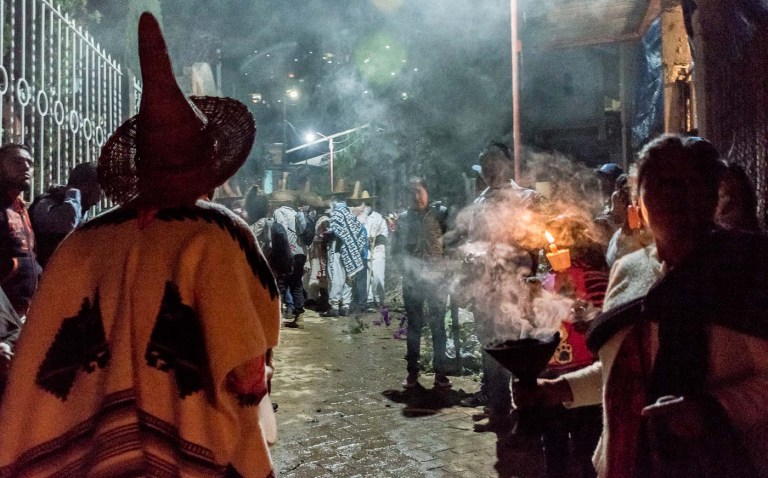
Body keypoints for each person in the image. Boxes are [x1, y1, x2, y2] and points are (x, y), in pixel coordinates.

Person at [0, 14, 280, 478]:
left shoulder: (81, 243)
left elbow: (39, 367)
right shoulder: (218, 235)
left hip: (93, 456)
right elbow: (249, 371)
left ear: (140, 167)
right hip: (194, 450)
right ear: (208, 164)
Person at [516, 134, 768, 478]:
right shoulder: (628, 269)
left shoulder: (747, 267)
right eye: (660, 183)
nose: (674, 195)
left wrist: (711, 409)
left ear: (712, 194)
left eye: (689, 182)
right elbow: (625, 373)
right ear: (638, 199)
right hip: (629, 464)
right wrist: (560, 389)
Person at [456, 142, 540, 434]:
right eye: (484, 163)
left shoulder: (526, 198)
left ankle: (525, 417)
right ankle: (498, 412)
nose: (488, 168)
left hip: (513, 288)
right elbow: (472, 243)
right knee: (489, 351)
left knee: (515, 353)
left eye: (492, 161)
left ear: (506, 162)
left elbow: (535, 246)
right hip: (485, 288)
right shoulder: (480, 202)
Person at [393, 178, 451, 389]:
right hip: (413, 282)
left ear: (427, 191)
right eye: (412, 193)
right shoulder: (404, 219)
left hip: (437, 280)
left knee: (438, 327)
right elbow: (396, 251)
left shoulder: (441, 214)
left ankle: (441, 373)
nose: (416, 197)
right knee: (414, 327)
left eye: (419, 191)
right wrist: (407, 273)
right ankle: (412, 374)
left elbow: (451, 244)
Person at [29, 161, 102, 268]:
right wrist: (74, 192)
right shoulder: (47, 203)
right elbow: (67, 223)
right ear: (86, 186)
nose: (104, 192)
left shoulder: (82, 208)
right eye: (101, 186)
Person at [0, 143, 41, 316]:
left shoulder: (21, 208)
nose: (26, 167)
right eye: (17, 161)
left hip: (23, 314)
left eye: (29, 163)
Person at [321, 198, 366, 317]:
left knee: (337, 277)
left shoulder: (337, 213)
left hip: (338, 249)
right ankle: (345, 305)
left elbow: (336, 231)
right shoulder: (349, 213)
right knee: (348, 278)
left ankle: (335, 306)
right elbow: (358, 231)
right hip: (351, 250)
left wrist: (326, 234)